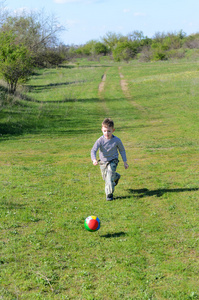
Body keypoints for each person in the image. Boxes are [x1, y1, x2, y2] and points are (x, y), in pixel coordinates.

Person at [91, 118, 129, 201]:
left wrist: (125, 162)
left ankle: (109, 194)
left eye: (109, 131)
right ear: (102, 130)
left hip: (113, 160)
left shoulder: (117, 140)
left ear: (113, 130)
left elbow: (122, 150)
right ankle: (116, 176)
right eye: (105, 131)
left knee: (108, 178)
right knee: (106, 178)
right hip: (103, 162)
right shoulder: (100, 140)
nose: (107, 133)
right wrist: (94, 159)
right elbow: (93, 150)